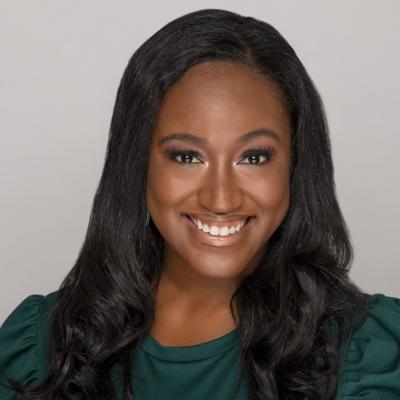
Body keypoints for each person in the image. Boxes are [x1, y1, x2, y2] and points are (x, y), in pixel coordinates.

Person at [0, 8, 399, 400]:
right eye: (187, 156)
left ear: (295, 165)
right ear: (138, 165)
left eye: (254, 157)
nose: (220, 199)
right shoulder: (38, 348)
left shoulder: (368, 355)